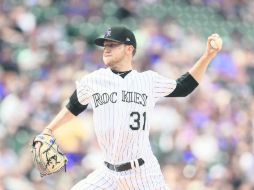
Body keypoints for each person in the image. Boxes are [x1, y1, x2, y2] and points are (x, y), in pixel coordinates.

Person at [40, 26, 222, 189]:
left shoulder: (147, 80)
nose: (106, 49)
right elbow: (73, 107)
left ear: (129, 49)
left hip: (142, 172)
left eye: (112, 45)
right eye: (105, 45)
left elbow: (184, 87)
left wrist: (207, 56)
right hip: (108, 173)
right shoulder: (94, 80)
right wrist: (49, 130)